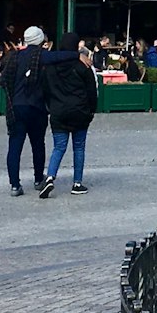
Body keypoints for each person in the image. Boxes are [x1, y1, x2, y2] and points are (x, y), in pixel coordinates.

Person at [39, 32, 98, 196]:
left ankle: (50, 177)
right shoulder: (83, 65)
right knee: (79, 147)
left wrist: (50, 107)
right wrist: (91, 110)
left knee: (59, 147)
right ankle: (77, 183)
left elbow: (45, 90)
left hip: (58, 111)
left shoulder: (50, 67)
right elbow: (91, 90)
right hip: (79, 111)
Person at [4, 26, 51, 196]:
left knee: (15, 146)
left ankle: (15, 185)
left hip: (16, 106)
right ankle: (39, 179)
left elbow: (4, 79)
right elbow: (59, 57)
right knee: (38, 144)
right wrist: (77, 55)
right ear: (40, 40)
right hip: (36, 106)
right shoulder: (42, 56)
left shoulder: (14, 56)